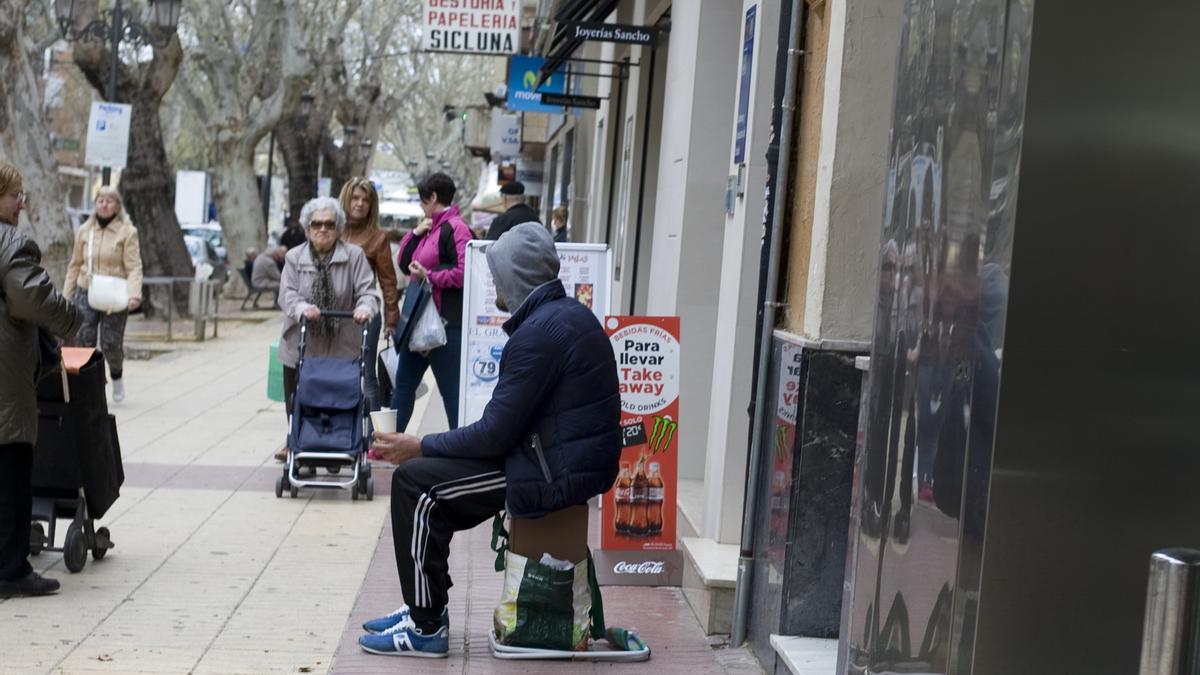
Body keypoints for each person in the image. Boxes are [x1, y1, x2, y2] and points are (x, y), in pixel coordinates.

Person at [359, 224, 620, 657]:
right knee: (424, 478)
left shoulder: (538, 334)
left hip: (554, 472)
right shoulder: (565, 315)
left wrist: (419, 444)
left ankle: (425, 627)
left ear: (517, 277)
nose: (494, 283)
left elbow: (494, 434)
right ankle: (423, 608)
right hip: (557, 457)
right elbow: (505, 428)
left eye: (498, 274)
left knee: (417, 485)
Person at [0, 161, 84, 598]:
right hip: (6, 381)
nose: (21, 204)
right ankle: (11, 570)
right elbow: (34, 299)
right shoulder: (12, 244)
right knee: (12, 470)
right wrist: (73, 318)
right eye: (16, 195)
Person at [274, 197, 379, 461]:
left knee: (338, 398)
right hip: (302, 344)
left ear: (339, 228)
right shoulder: (294, 257)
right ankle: (296, 443)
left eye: (329, 224)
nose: (323, 229)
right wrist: (301, 308)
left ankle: (338, 443)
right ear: (308, 228)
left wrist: (365, 308)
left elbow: (368, 292)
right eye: (317, 224)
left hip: (342, 345)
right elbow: (287, 295)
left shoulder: (354, 256)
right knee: (298, 397)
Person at [390, 172, 471, 430]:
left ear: (433, 197)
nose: (420, 206)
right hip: (419, 320)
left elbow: (465, 272)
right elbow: (404, 264)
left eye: (423, 201)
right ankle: (387, 442)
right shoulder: (431, 228)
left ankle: (459, 446)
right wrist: (414, 233)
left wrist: (430, 276)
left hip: (445, 325)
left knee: (450, 391)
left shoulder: (456, 228)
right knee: (403, 385)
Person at [62, 186, 143, 403]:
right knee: (84, 340)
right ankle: (89, 386)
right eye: (100, 200)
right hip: (86, 289)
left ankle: (116, 375)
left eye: (109, 200)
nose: (104, 204)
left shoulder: (128, 232)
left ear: (117, 206)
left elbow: (134, 267)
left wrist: (134, 294)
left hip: (114, 295)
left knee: (110, 343)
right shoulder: (85, 230)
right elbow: (74, 264)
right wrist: (66, 296)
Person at [339, 178, 400, 412]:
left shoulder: (378, 237)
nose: (360, 204)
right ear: (346, 199)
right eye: (355, 198)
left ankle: (374, 436)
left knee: (366, 375)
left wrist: (391, 318)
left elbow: (388, 281)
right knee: (331, 369)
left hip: (366, 313)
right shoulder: (331, 231)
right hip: (333, 313)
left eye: (366, 200)